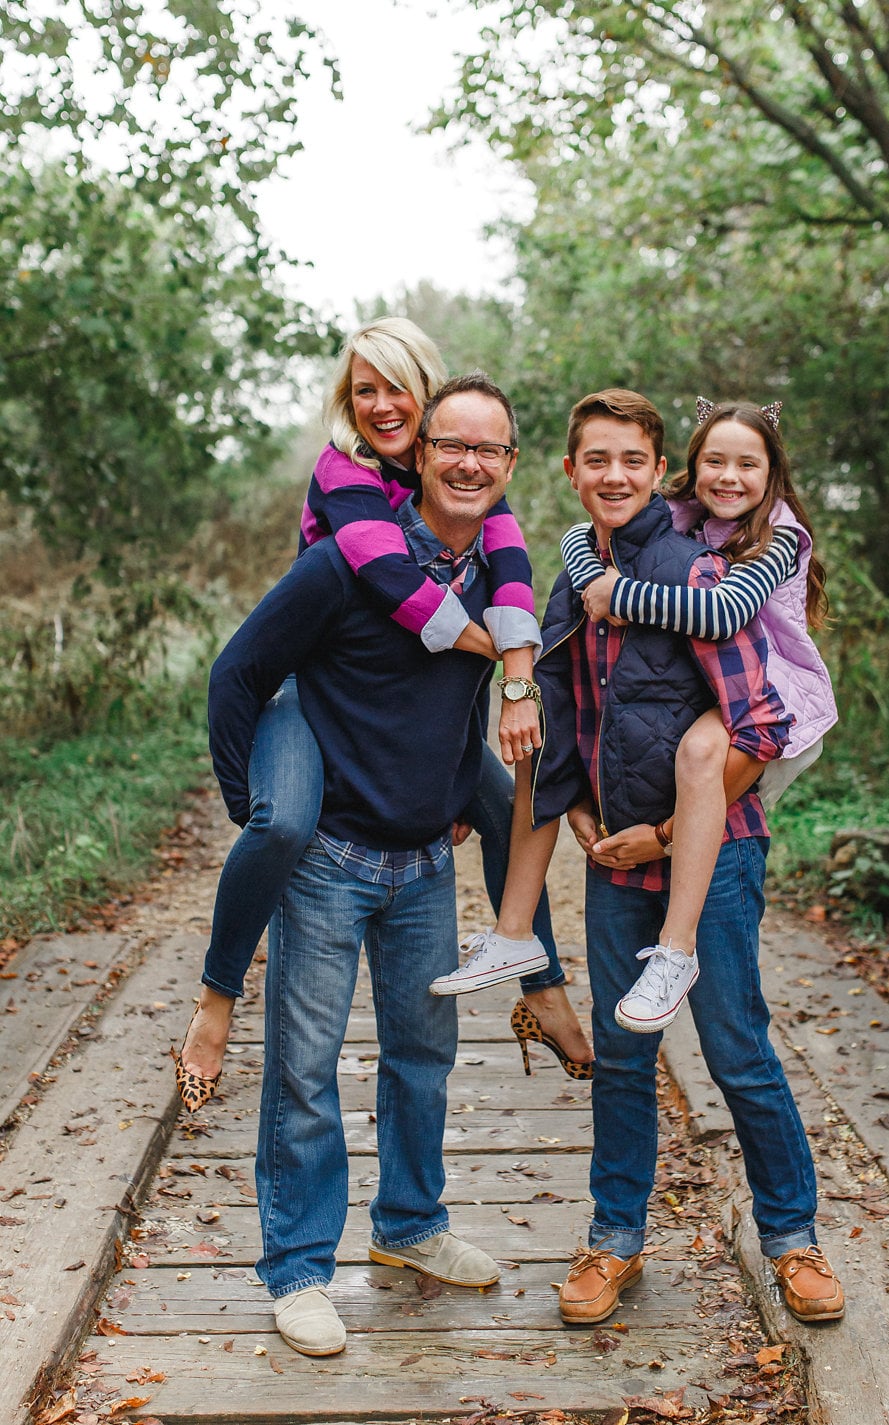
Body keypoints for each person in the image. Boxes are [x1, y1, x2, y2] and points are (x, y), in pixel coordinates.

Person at [174, 320, 592, 1115]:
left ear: (430, 400)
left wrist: (509, 677)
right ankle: (218, 996)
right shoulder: (349, 476)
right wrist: (244, 798)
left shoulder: (469, 482)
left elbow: (509, 568)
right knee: (283, 824)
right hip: (311, 689)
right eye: (363, 389)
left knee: (509, 809)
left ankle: (541, 987)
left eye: (396, 387)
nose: (379, 405)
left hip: (425, 720)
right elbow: (398, 588)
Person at [206, 373, 530, 1355]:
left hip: (425, 864)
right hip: (328, 863)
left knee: (423, 1059)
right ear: (420, 455)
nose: (469, 463)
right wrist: (254, 809)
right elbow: (239, 674)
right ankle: (300, 1269)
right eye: (452, 446)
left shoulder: (500, 587)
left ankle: (410, 1228)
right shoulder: (345, 566)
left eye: (490, 449)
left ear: (509, 469)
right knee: (304, 1072)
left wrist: (453, 796)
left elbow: (461, 704)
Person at [528, 388, 844, 1327]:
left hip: (718, 856)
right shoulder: (579, 570)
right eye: (597, 461)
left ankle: (793, 1239)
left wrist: (665, 833)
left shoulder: (708, 579)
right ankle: (613, 1240)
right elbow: (565, 707)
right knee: (625, 1054)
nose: (615, 476)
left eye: (632, 460)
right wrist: (582, 811)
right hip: (613, 857)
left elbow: (755, 727)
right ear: (574, 470)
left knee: (738, 1047)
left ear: (656, 469)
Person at [445, 397, 836, 1045]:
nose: (729, 476)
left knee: (738, 1054)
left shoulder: (765, 541)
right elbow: (584, 547)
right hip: (622, 850)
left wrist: (618, 594)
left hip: (789, 702)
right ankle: (513, 932)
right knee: (537, 744)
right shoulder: (656, 531)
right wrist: (586, 566)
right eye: (714, 460)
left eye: (748, 463)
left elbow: (726, 618)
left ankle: (677, 947)